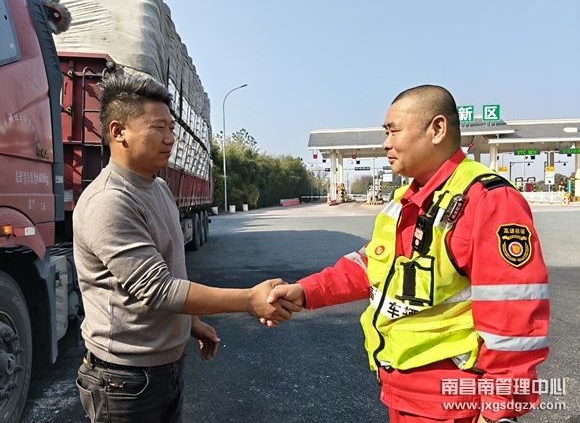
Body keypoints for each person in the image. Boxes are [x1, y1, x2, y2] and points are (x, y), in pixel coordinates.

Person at [268, 85, 549, 423]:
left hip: (453, 404)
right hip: (401, 393)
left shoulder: (487, 201)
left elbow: (514, 317)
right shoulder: (404, 200)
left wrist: (499, 410)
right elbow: (371, 265)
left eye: (393, 131)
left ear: (437, 129)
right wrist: (306, 291)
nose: (385, 143)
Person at [73, 74, 300, 423]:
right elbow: (158, 289)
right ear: (118, 132)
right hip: (124, 379)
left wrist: (191, 322)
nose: (170, 138)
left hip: (164, 366)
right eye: (158, 128)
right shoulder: (110, 201)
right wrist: (248, 300)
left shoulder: (158, 188)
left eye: (171, 128)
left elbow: (168, 268)